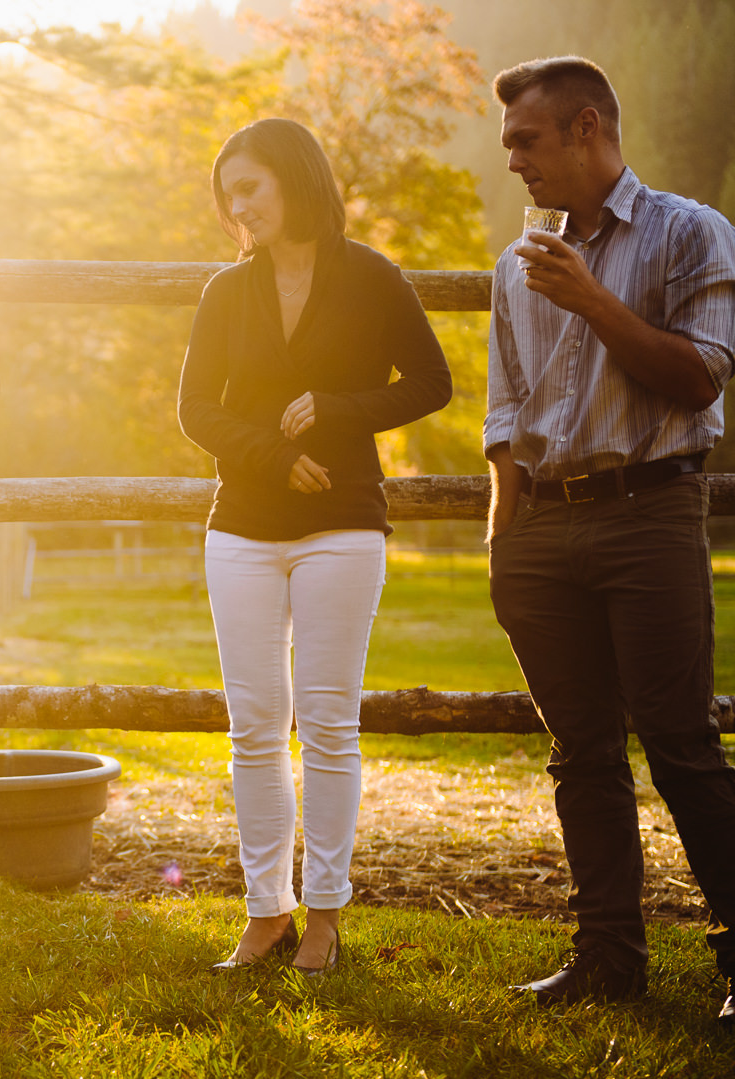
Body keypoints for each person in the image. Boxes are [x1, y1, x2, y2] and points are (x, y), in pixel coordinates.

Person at [484, 56, 735, 1024]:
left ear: (585, 127)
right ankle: (609, 957)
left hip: (648, 513)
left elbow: (702, 378)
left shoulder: (691, 233)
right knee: (579, 752)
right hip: (541, 525)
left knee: (680, 742)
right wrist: (504, 539)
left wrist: (596, 302)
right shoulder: (514, 263)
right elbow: (507, 409)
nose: (514, 165)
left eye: (526, 142)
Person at [179, 118, 451, 976]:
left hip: (344, 528)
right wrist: (271, 454)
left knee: (329, 725)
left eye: (249, 185)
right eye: (228, 192)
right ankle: (267, 916)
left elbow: (431, 384)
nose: (236, 205)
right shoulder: (227, 292)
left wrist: (337, 409)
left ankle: (326, 917)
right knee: (254, 727)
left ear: (294, 180)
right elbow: (196, 412)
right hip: (241, 531)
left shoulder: (371, 276)